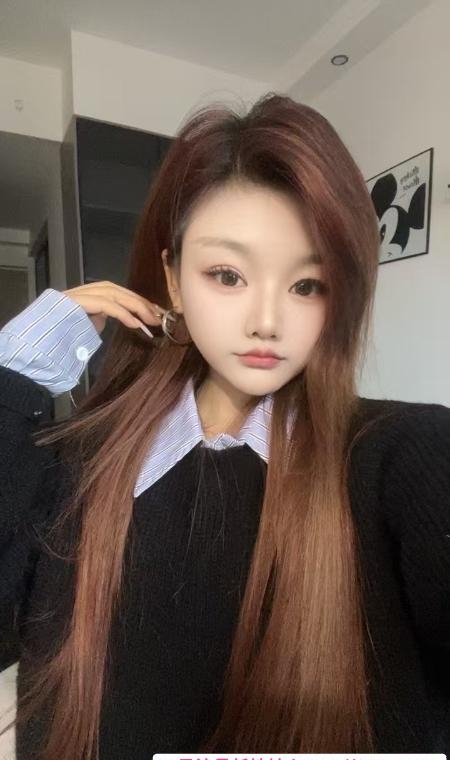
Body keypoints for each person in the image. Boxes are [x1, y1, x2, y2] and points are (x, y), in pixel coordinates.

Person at [0, 93, 449, 760]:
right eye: (228, 275)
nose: (267, 321)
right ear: (174, 281)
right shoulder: (78, 461)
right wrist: (14, 377)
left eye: (307, 285)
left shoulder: (400, 456)